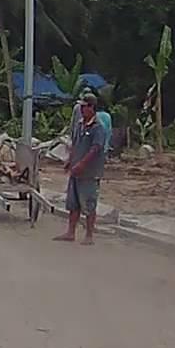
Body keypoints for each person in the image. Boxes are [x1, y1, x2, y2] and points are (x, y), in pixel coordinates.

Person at [56, 92, 107, 245]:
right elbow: (74, 143)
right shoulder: (79, 124)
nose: (81, 110)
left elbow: (96, 148)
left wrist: (82, 164)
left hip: (89, 173)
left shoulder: (98, 127)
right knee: (73, 204)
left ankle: (89, 235)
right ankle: (70, 232)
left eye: (84, 107)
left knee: (89, 204)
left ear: (91, 108)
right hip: (76, 170)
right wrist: (70, 160)